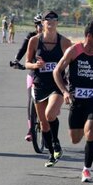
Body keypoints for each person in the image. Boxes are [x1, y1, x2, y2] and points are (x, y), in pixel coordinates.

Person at [53, 21, 93, 182]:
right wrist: (65, 92)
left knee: (91, 131)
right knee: (75, 139)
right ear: (89, 36)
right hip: (76, 100)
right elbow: (56, 71)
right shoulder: (74, 51)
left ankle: (86, 169)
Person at [25, 10, 72, 167]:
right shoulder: (34, 41)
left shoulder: (64, 42)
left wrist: (70, 84)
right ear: (43, 23)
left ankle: (56, 143)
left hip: (56, 84)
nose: (50, 21)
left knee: (50, 114)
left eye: (54, 19)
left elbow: (73, 62)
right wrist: (36, 65)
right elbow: (27, 63)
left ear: (57, 22)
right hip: (39, 84)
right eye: (47, 19)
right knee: (44, 124)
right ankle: (52, 154)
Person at [11, 14, 43, 142]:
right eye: (38, 24)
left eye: (43, 24)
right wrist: (16, 60)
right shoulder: (31, 37)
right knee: (31, 99)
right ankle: (30, 129)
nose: (41, 27)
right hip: (33, 72)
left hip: (49, 74)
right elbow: (23, 48)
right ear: (35, 26)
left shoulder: (52, 38)